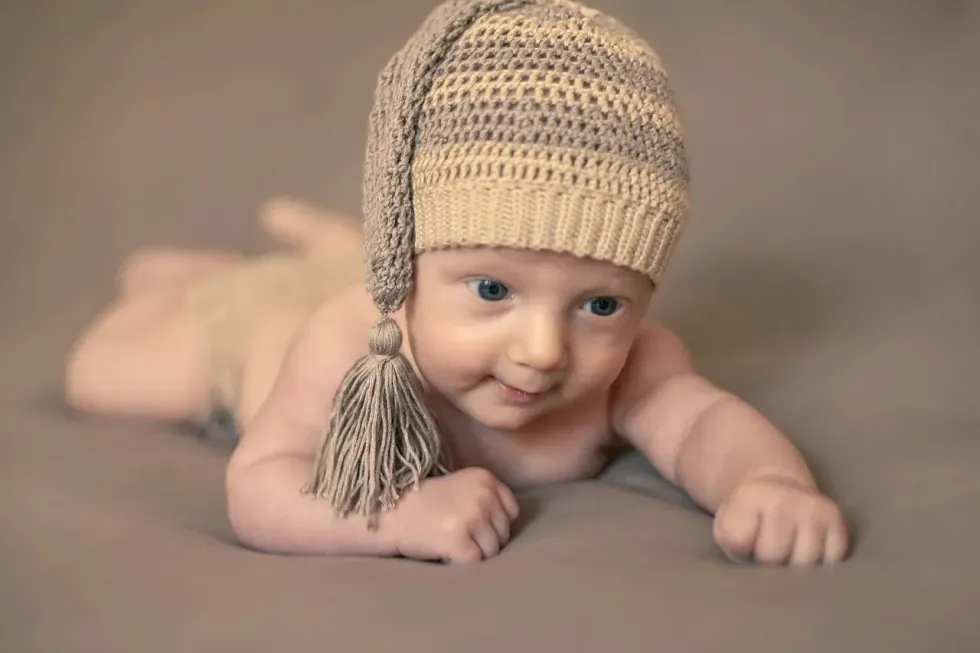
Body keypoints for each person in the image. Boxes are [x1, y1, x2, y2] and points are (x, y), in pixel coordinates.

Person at [64, 0, 849, 567]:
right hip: (250, 335)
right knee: (101, 375)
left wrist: (769, 481)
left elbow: (703, 425)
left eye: (600, 304)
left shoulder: (636, 366)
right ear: (406, 266)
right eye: (492, 291)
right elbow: (260, 490)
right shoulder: (346, 344)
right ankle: (192, 283)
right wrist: (394, 516)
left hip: (376, 271)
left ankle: (334, 249)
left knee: (353, 276)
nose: (542, 350)